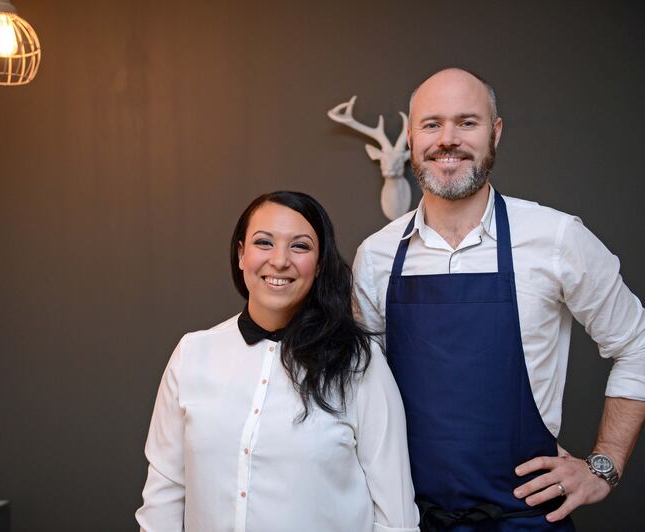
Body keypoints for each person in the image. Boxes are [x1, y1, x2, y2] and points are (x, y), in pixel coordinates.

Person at [352, 67, 645, 530]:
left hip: (527, 520)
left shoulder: (556, 238)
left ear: (496, 132)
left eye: (467, 122)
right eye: (432, 124)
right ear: (411, 138)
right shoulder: (376, 256)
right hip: (410, 521)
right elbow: (359, 388)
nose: (448, 139)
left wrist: (604, 464)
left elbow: (637, 344)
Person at [136, 191, 420, 532]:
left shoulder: (359, 363)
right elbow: (163, 498)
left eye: (299, 246)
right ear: (241, 255)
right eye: (264, 242)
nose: (280, 260)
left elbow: (396, 516)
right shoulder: (192, 354)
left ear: (319, 264)